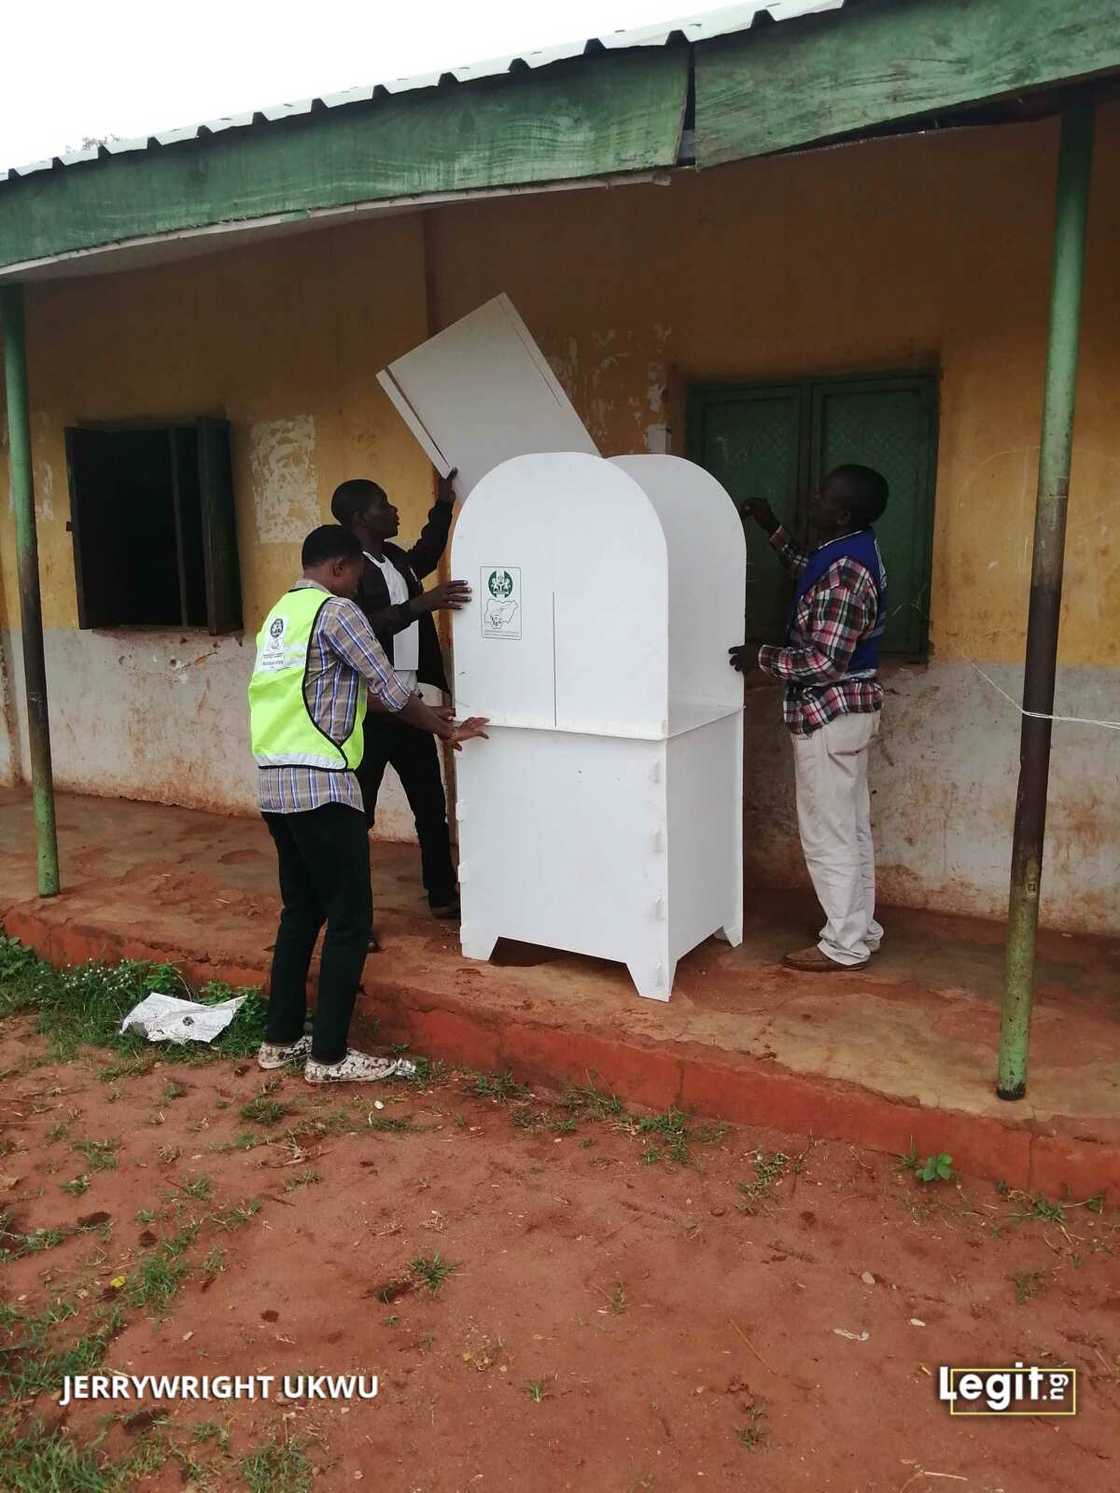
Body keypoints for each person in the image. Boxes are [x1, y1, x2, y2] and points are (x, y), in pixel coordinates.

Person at [248, 524, 487, 1083]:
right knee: (351, 921)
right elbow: (389, 687)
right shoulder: (337, 613)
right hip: (325, 787)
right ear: (338, 568)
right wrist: (444, 731)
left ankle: (280, 1038)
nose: (360, 583)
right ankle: (329, 1056)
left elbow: (346, 692)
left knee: (301, 913)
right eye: (357, 572)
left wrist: (431, 721)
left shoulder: (280, 619)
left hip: (276, 789)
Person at [730, 465, 888, 973]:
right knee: (852, 829)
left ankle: (844, 944)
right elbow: (807, 568)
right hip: (850, 715)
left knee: (829, 834)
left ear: (842, 513)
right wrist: (770, 526)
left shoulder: (846, 572)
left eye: (822, 495)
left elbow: (823, 662)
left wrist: (761, 656)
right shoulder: (848, 549)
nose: (813, 497)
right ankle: (861, 929)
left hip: (830, 714)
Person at [330, 472, 469, 926]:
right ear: (359, 518)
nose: (393, 512)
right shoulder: (346, 573)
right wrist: (418, 606)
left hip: (407, 706)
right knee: (357, 820)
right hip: (368, 712)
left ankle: (443, 896)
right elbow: (359, 627)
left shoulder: (394, 560)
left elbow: (427, 553)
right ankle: (354, 920)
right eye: (383, 505)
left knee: (431, 808)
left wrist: (444, 506)